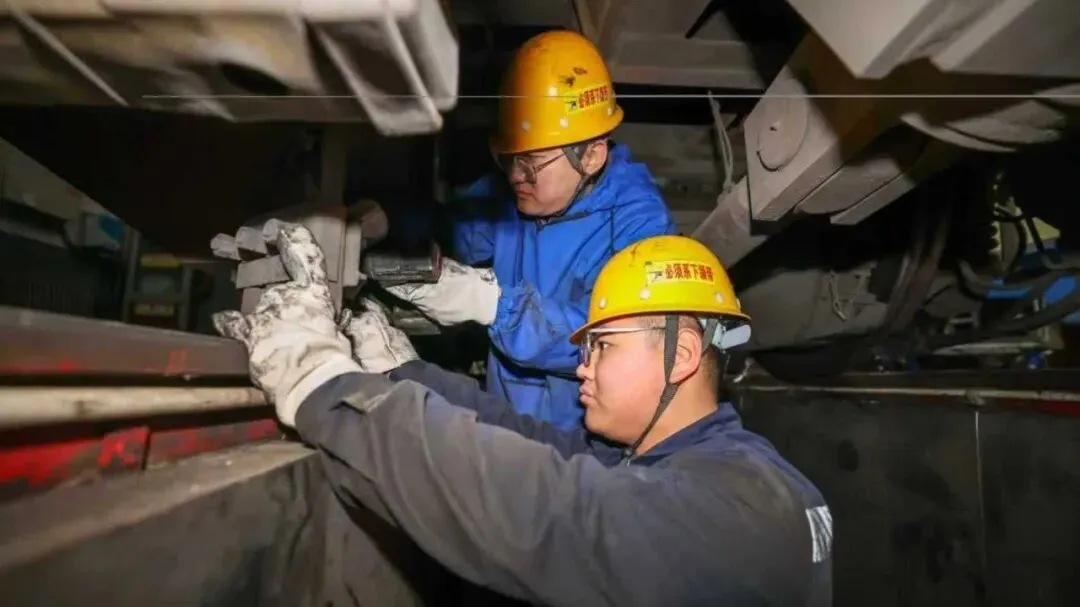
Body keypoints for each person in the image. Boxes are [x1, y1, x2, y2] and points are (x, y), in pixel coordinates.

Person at [213, 223, 832, 606]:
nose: (582, 368)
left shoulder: (747, 508)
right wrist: (398, 371)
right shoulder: (688, 465)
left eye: (602, 347)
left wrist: (322, 384)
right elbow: (537, 445)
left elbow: (544, 506)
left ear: (683, 355)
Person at [381, 29, 678, 431]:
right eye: (508, 159)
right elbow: (456, 226)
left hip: (580, 442)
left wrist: (491, 304)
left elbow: (612, 341)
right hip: (502, 420)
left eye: (531, 163)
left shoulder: (641, 230)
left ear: (590, 156)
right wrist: (385, 219)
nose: (515, 176)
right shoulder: (520, 191)